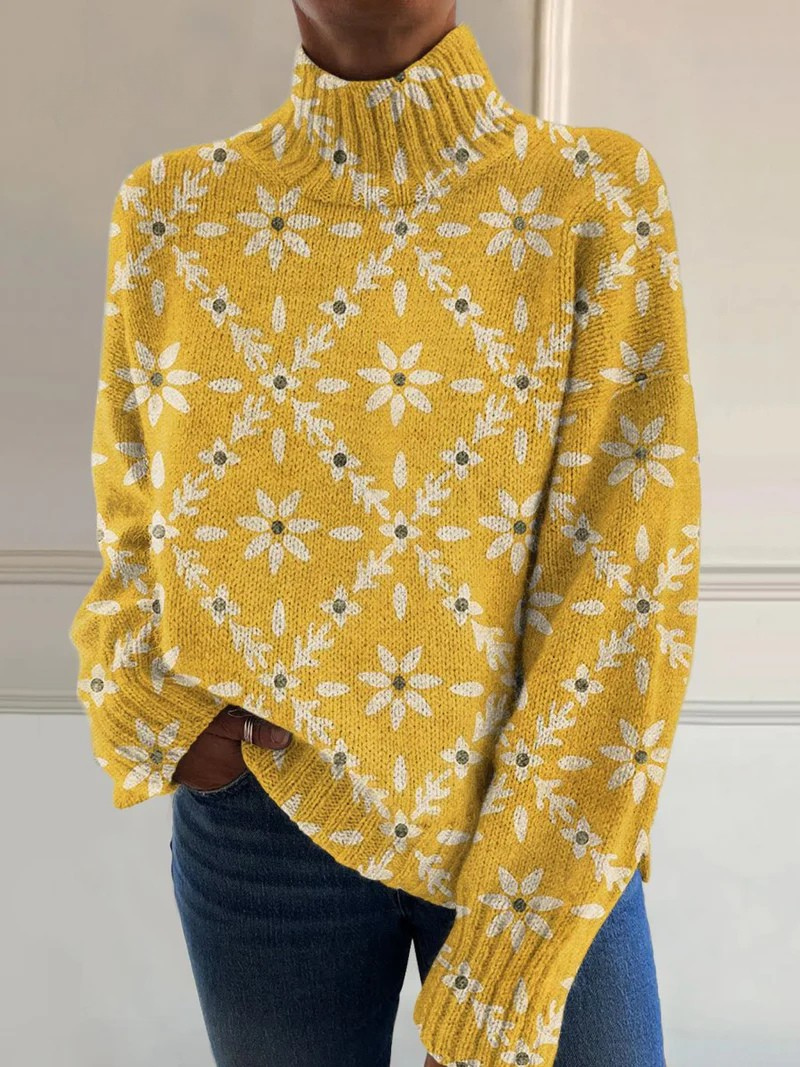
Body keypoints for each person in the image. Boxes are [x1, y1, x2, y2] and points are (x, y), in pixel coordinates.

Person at [70, 1, 701, 1065]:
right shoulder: (173, 210)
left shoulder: (589, 193)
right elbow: (133, 505)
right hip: (264, 817)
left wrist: (522, 921)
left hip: (540, 816)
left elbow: (629, 562)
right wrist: (141, 690)